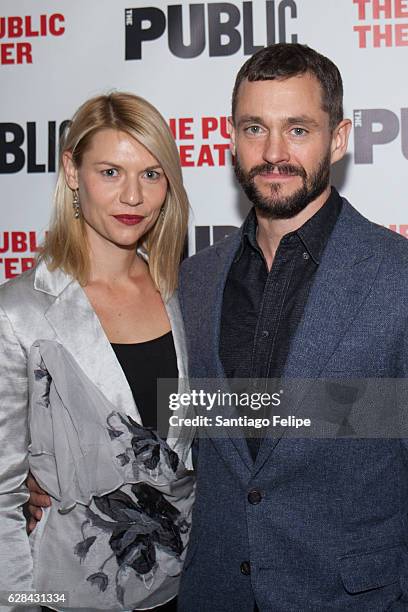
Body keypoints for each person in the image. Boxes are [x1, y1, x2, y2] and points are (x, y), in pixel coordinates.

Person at [176, 44, 408, 610]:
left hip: (353, 597)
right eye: (255, 128)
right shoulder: (194, 280)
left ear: (339, 137)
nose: (273, 152)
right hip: (214, 592)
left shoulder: (396, 274)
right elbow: (185, 436)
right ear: (231, 136)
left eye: (298, 129)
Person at [0, 92, 194, 612]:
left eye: (152, 174)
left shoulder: (186, 292)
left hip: (190, 584)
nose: (133, 195)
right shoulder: (19, 312)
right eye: (111, 172)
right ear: (72, 171)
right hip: (67, 594)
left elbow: (214, 426)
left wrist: (377, 409)